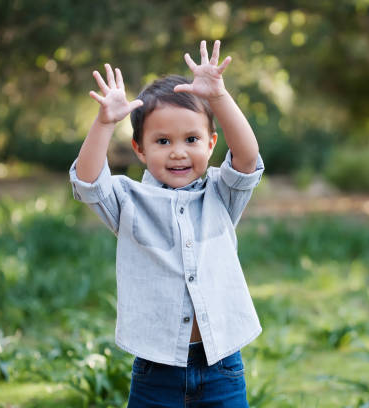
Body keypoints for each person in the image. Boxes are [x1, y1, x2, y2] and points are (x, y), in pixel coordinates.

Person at [69, 40, 263, 407]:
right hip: (156, 370)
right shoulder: (128, 200)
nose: (178, 151)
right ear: (140, 149)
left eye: (191, 139)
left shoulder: (221, 194)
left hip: (222, 366)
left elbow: (248, 157)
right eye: (162, 141)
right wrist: (104, 122)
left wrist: (219, 98)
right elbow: (88, 181)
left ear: (211, 143)